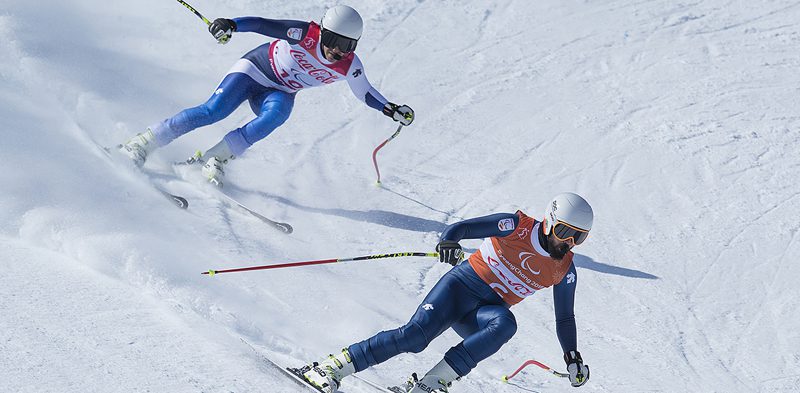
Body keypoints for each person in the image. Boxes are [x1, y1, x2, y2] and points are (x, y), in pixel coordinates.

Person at [298, 192, 594, 392]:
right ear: (551, 220)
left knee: (505, 323)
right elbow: (460, 228)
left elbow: (565, 318)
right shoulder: (516, 227)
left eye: (578, 237)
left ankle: (430, 384)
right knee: (414, 338)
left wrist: (572, 356)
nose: (568, 242)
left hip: (482, 314)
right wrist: (448, 241)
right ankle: (330, 367)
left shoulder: (564, 270)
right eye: (565, 232)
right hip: (460, 288)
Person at [119, 5, 414, 187]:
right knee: (214, 111)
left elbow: (365, 93)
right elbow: (262, 24)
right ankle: (143, 143)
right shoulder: (305, 34)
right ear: (323, 33)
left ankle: (215, 159)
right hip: (255, 70)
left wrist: (391, 109)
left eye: (348, 45)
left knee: (277, 115)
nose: (338, 50)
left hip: (280, 90)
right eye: (335, 41)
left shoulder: (349, 65)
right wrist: (232, 24)